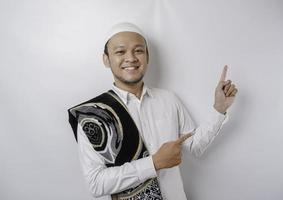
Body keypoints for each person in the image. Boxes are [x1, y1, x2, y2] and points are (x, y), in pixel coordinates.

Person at [68, 22, 238, 200]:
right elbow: (96, 183)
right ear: (106, 59)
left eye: (138, 51)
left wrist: (219, 109)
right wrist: (154, 163)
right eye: (120, 51)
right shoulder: (93, 115)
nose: (131, 58)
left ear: (147, 57)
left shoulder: (168, 100)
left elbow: (195, 146)